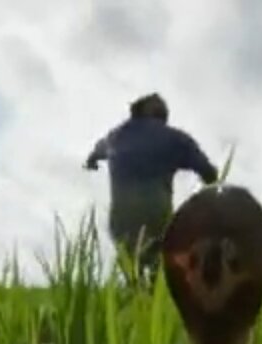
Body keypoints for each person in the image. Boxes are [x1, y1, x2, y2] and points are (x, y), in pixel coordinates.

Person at [84, 93, 220, 284]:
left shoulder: (115, 136)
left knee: (132, 267)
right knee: (160, 261)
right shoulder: (175, 138)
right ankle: (155, 294)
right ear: (159, 113)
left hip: (122, 214)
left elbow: (97, 151)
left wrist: (91, 161)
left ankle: (138, 295)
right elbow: (208, 171)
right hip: (156, 211)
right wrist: (210, 179)